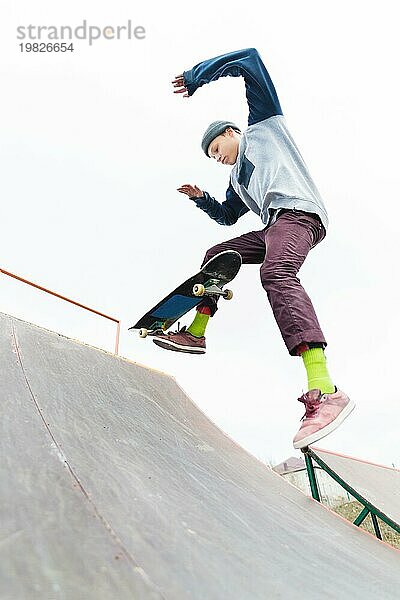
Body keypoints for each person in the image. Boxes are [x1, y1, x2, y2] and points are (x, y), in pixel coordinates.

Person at [153, 47, 354, 448]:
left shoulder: (264, 127)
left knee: (276, 273)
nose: (217, 159)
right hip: (272, 226)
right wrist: (202, 198)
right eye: (212, 158)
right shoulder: (239, 182)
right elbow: (228, 216)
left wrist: (198, 76)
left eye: (216, 151)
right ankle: (197, 332)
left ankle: (325, 387)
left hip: (299, 217)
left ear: (230, 133)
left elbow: (250, 60)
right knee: (216, 255)